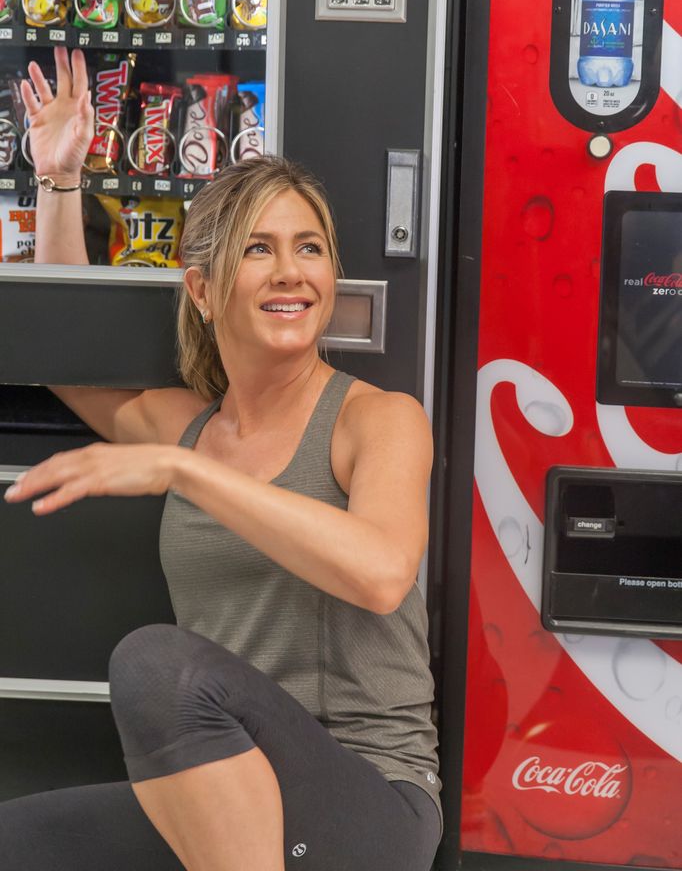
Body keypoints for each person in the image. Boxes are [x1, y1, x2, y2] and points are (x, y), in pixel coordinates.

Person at [0, 48, 441, 871]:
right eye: (259, 249)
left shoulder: (378, 420)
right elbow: (68, 357)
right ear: (202, 291)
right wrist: (60, 179)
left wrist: (188, 473)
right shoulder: (189, 427)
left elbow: (383, 572)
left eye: (310, 248)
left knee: (154, 662)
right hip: (222, 791)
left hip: (366, 800)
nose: (291, 273)